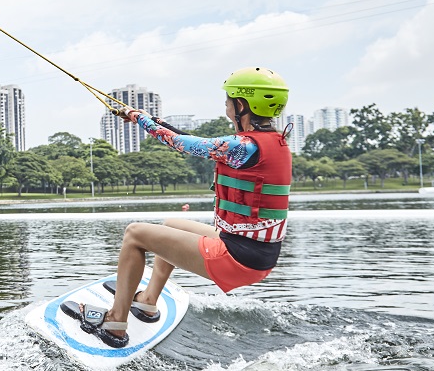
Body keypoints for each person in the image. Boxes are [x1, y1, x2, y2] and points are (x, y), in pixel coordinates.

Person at [71, 67, 292, 348]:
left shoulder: (243, 146)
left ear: (241, 105)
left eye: (228, 100)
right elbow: (190, 138)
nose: (225, 105)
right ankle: (148, 301)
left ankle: (115, 321)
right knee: (172, 225)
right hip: (255, 253)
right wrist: (149, 119)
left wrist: (139, 118)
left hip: (237, 258)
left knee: (134, 234)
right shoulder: (274, 142)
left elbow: (179, 142)